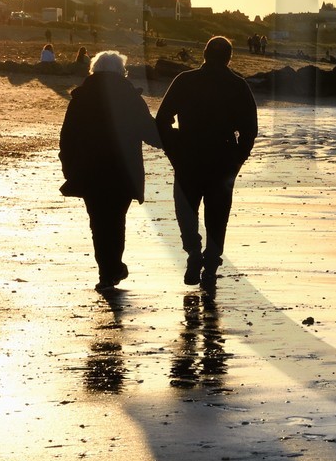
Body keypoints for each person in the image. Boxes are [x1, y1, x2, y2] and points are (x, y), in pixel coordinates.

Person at [157, 36, 258, 291]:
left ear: (204, 54)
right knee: (217, 216)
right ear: (229, 58)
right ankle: (210, 266)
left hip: (188, 156)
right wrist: (238, 159)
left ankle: (193, 254)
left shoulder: (185, 80)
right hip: (223, 159)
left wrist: (174, 149)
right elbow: (249, 130)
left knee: (186, 211)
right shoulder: (238, 85)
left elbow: (162, 120)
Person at [58, 50, 161, 290]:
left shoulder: (81, 98)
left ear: (94, 70)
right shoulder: (129, 97)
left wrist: (69, 169)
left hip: (89, 171)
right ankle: (111, 269)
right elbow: (149, 132)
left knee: (98, 223)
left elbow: (67, 138)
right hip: (122, 172)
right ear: (120, 72)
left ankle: (108, 271)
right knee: (116, 220)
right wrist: (176, 140)